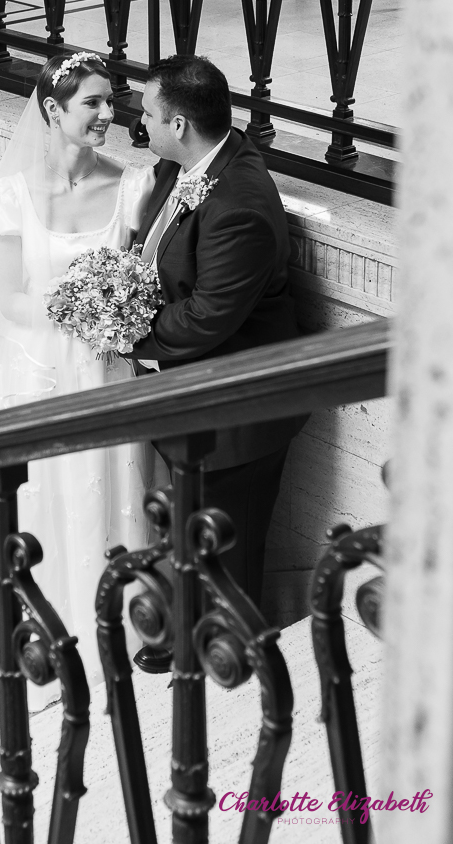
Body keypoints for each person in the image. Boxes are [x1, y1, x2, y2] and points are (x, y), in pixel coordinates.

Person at [0, 52, 158, 699]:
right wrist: (75, 302)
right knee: (49, 494)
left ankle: (121, 630)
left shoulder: (133, 187)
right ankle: (50, 630)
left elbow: (141, 279)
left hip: (105, 367)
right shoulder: (13, 196)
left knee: (111, 487)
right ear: (52, 110)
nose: (108, 114)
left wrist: (112, 303)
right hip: (40, 371)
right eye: (92, 103)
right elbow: (8, 298)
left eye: (111, 101)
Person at [131, 53, 305, 636]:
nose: (141, 125)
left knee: (230, 551)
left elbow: (210, 315)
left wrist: (128, 332)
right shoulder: (176, 169)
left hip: (238, 414)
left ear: (179, 124)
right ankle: (185, 631)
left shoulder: (240, 203)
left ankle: (231, 661)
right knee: (186, 531)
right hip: (190, 400)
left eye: (148, 114)